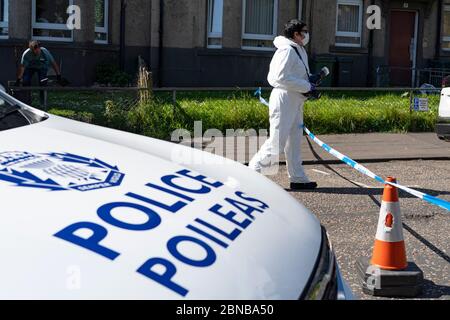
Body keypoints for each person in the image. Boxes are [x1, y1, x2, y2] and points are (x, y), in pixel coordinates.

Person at [249, 20, 318, 190]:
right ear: (296, 34)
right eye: (304, 31)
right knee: (277, 143)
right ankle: (250, 175)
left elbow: (293, 74)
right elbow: (278, 78)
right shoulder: (287, 50)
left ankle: (298, 179)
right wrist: (307, 86)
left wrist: (309, 80)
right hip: (284, 99)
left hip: (295, 99)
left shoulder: (298, 49)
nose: (307, 34)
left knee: (294, 141)